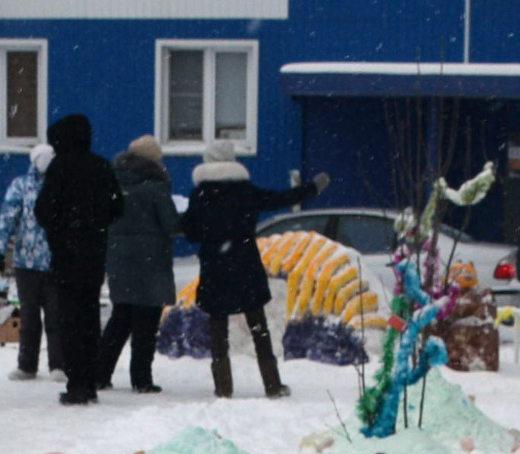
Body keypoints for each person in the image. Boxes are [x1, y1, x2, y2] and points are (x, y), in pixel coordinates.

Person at [182, 140, 327, 399]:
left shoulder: (200, 195)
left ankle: (223, 387)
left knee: (218, 330)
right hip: (244, 265)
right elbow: (280, 198)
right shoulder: (244, 191)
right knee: (258, 327)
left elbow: (190, 231)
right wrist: (311, 189)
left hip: (215, 266)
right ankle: (272, 384)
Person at [35, 111, 120, 407]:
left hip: (65, 254)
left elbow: (43, 211)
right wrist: (94, 223)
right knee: (89, 317)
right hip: (94, 253)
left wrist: (62, 226)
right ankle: (91, 380)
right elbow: (117, 207)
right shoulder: (101, 167)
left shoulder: (59, 168)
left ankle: (77, 384)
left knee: (69, 318)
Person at [95, 135, 177, 396]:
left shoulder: (112, 182)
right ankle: (141, 378)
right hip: (150, 261)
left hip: (119, 257)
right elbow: (171, 224)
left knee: (120, 319)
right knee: (147, 321)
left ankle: (100, 372)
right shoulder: (155, 186)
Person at [0, 140, 59, 381]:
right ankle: (27, 364)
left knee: (55, 316)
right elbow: (7, 219)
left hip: (55, 261)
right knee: (30, 317)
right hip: (26, 262)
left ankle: (58, 364)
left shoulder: (61, 184)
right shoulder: (21, 186)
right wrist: (0, 251)